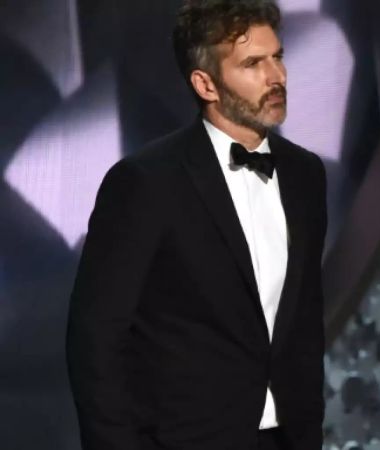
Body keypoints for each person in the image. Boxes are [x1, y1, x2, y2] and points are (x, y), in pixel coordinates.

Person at [66, 1, 326, 449]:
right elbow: (97, 336)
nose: (276, 76)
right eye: (252, 64)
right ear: (205, 83)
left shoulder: (306, 175)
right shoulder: (146, 182)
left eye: (277, 56)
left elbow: (301, 322)